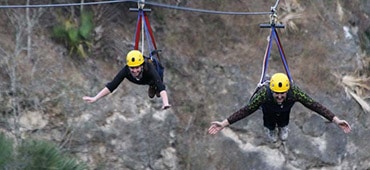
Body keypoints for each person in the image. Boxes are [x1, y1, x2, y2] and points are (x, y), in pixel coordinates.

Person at [208, 73, 351, 142]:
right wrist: (224, 124)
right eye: (277, 94)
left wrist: (336, 120)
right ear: (272, 90)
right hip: (268, 110)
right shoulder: (264, 93)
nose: (280, 97)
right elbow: (246, 110)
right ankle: (270, 130)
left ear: (287, 91)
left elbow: (314, 105)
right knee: (269, 121)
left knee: (284, 118)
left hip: (285, 111)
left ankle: (283, 127)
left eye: (282, 94)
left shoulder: (294, 92)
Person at [83, 50, 171, 110]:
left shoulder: (149, 69)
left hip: (152, 77)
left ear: (141, 65)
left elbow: (161, 87)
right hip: (141, 80)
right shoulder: (126, 71)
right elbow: (111, 86)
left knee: (158, 89)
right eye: (132, 68)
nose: (134, 70)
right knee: (152, 91)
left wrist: (165, 103)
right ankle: (152, 86)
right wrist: (95, 98)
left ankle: (152, 85)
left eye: (137, 68)